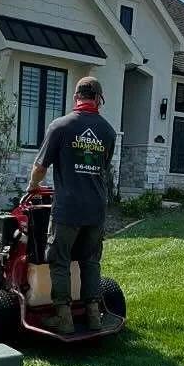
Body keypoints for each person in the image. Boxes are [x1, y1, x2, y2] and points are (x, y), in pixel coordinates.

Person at [27, 75, 116, 333]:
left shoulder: (60, 126)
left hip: (68, 208)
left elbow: (41, 167)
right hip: (96, 208)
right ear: (99, 99)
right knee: (90, 260)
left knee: (59, 259)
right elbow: (102, 167)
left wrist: (32, 186)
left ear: (76, 97)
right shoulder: (108, 131)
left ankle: (63, 317)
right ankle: (93, 316)